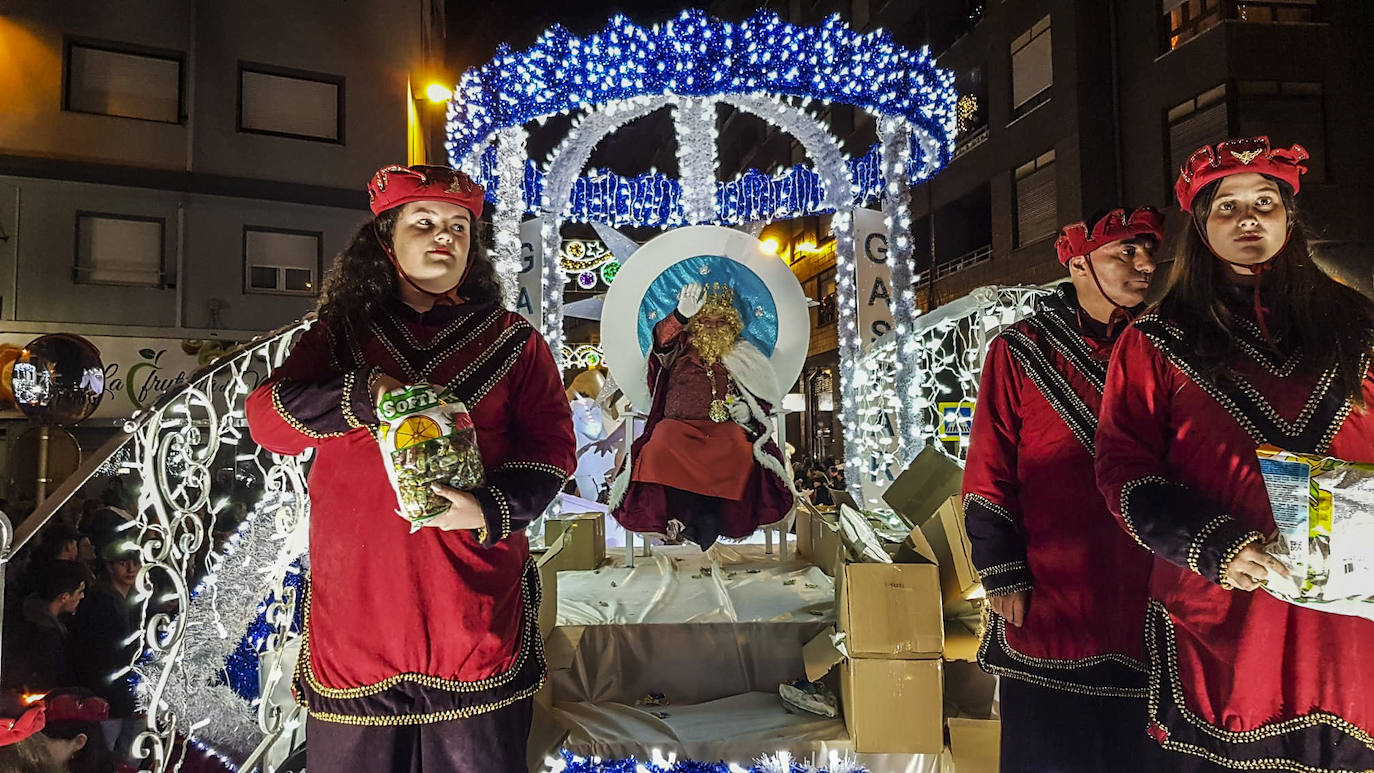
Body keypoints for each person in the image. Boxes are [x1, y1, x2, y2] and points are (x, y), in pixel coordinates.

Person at [245, 164, 575, 772]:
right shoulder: (341, 336)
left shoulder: (512, 341)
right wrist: (363, 393)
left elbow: (551, 449)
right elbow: (268, 422)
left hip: (470, 612)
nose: (443, 236)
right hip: (359, 621)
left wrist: (490, 508)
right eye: (422, 222)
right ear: (385, 239)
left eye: (458, 226)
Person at [1095, 136, 1374, 771]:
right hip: (1226, 614)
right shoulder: (1155, 340)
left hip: (1348, 626)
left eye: (1264, 202)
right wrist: (1212, 544)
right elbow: (1123, 468)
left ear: (1288, 217)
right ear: (1201, 226)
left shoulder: (1358, 325)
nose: (1248, 218)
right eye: (1227, 207)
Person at [962, 208, 1163, 771]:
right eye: (1124, 251)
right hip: (1054, 588)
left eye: (1148, 250)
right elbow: (989, 465)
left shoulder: (1169, 346)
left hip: (1150, 582)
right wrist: (1001, 569)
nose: (1145, 264)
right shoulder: (1020, 349)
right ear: (1078, 264)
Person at [610, 282, 793, 548]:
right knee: (658, 446)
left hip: (726, 429)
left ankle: (711, 517)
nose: (712, 326)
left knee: (742, 452)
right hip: (677, 427)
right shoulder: (680, 346)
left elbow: (762, 393)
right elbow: (661, 342)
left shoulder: (743, 353)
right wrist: (679, 316)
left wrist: (749, 411)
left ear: (730, 325)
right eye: (706, 320)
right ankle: (686, 516)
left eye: (720, 322)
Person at [70, 540, 141, 766]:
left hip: (126, 695)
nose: (131, 569)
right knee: (104, 756)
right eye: (123, 563)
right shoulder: (100, 602)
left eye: (135, 563)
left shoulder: (133, 600)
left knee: (127, 755)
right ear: (110, 567)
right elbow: (100, 655)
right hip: (107, 696)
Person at [3, 559, 87, 693]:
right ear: (64, 597)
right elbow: (47, 683)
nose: (82, 596)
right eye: (79, 591)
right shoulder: (46, 636)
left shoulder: (28, 616)